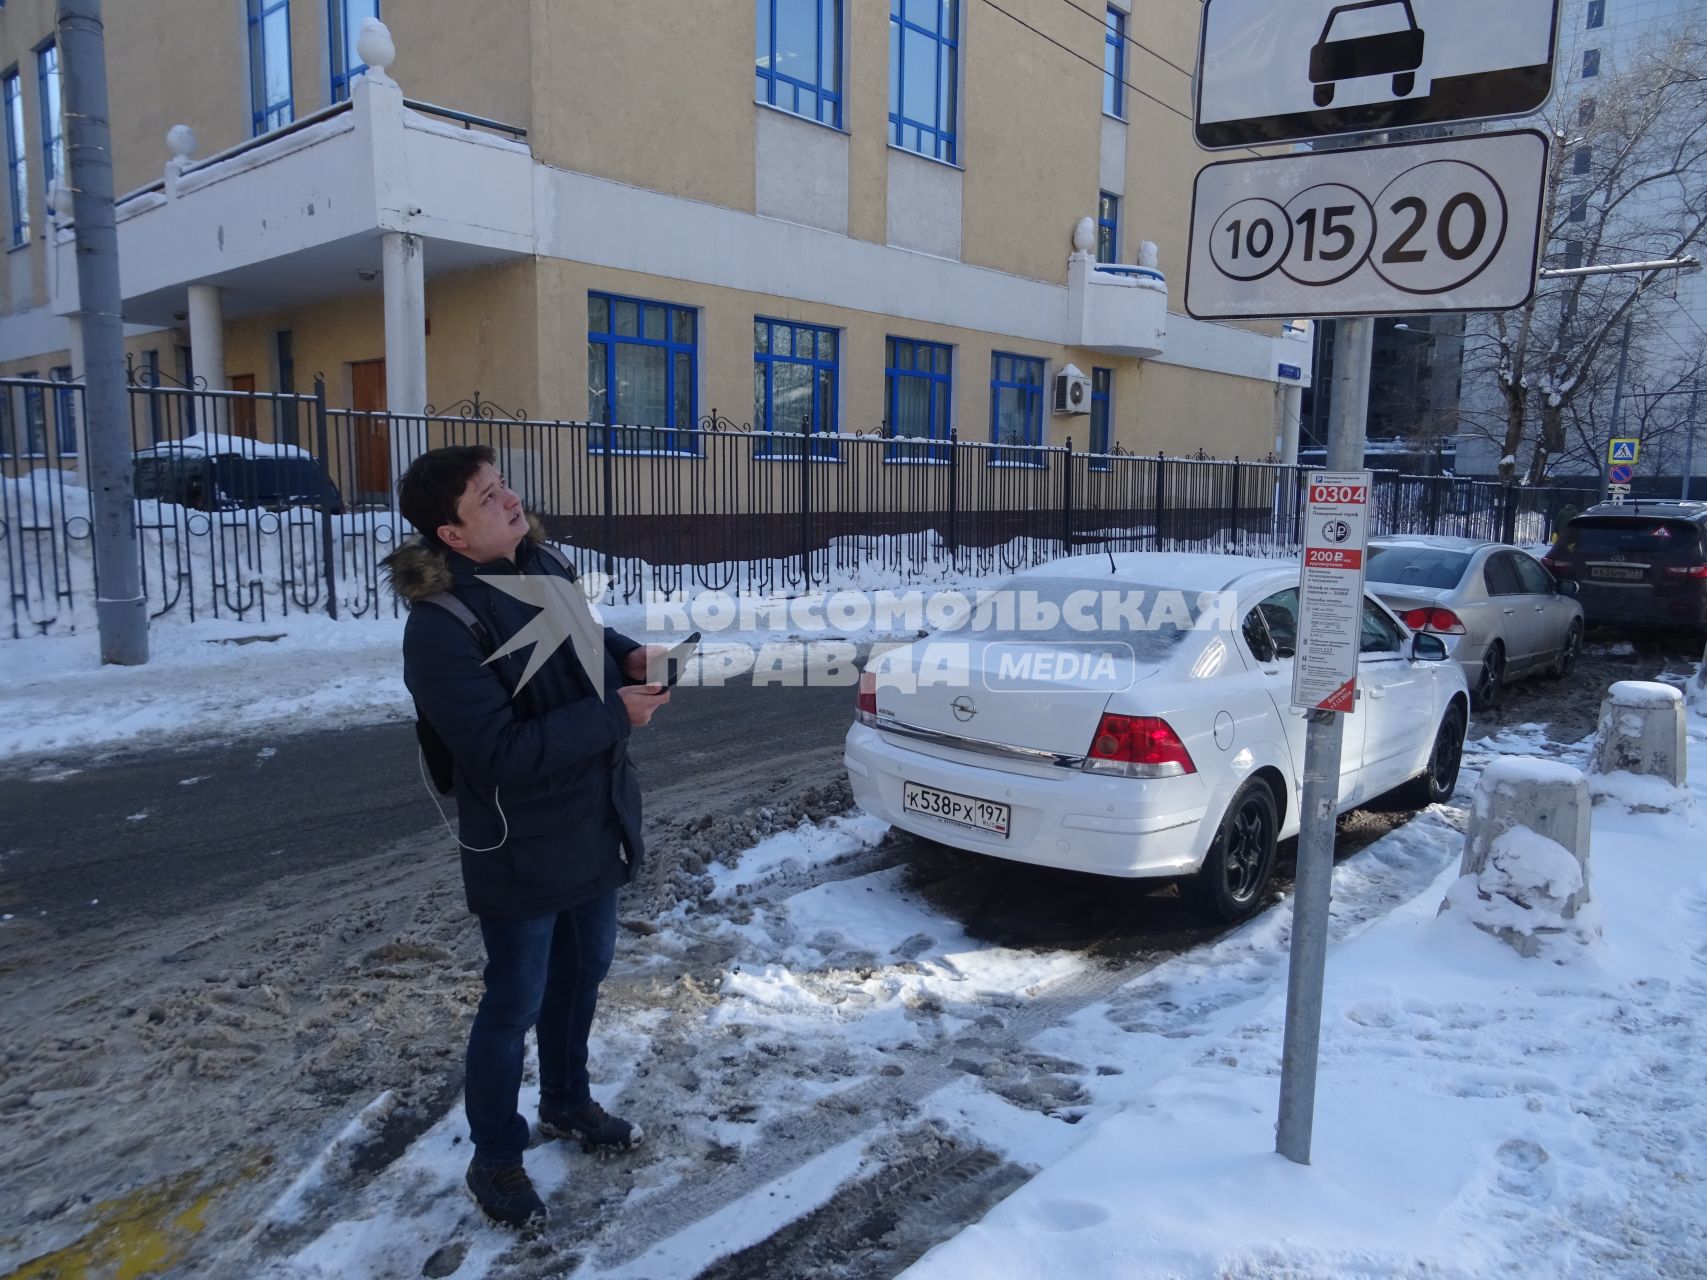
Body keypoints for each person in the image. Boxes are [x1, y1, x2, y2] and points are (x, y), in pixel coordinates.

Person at [383, 445, 668, 1231]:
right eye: (488, 498)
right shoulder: (440, 629)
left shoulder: (543, 563)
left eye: (504, 485)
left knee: (585, 975)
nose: (511, 501)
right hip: (518, 841)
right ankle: (496, 1158)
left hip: (594, 815)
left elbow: (582, 636)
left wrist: (627, 655)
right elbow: (498, 755)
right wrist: (615, 714)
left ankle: (567, 1103)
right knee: (513, 1002)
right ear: (452, 535)